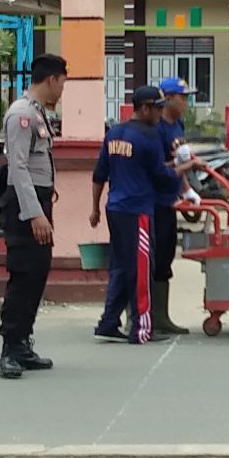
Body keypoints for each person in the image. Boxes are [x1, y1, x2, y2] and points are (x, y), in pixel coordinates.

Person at [0, 53, 68, 380]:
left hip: (37, 201)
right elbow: (18, 167)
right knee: (24, 272)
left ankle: (23, 341)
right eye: (63, 82)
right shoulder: (22, 114)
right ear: (51, 79)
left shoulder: (38, 113)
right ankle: (9, 348)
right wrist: (35, 214)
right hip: (25, 206)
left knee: (38, 271)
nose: (63, 90)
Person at [90, 85, 171, 345]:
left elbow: (99, 175)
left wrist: (94, 209)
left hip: (115, 209)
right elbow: (161, 175)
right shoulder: (149, 136)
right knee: (142, 269)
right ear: (145, 108)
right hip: (138, 213)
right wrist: (184, 168)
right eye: (157, 109)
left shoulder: (114, 134)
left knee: (120, 267)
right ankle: (141, 328)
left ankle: (109, 322)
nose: (160, 114)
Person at [152, 77, 205, 337]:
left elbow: (179, 161)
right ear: (169, 99)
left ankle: (162, 316)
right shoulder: (157, 128)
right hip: (154, 202)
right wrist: (188, 167)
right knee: (154, 258)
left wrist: (187, 190)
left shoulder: (178, 125)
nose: (186, 103)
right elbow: (161, 168)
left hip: (170, 201)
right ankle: (148, 316)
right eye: (183, 98)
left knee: (165, 257)